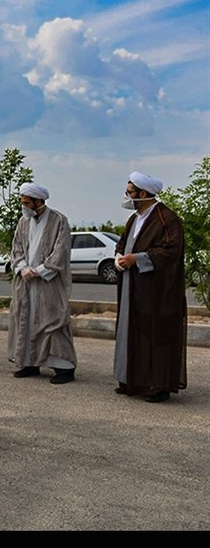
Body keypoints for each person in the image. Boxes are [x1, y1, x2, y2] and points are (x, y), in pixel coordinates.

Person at [113, 171, 187, 403]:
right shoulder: (134, 219)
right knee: (131, 331)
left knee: (155, 334)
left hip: (156, 291)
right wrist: (118, 257)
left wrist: (137, 259)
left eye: (130, 192)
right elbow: (123, 244)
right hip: (132, 287)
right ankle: (130, 379)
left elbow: (171, 251)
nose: (127, 196)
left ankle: (158, 385)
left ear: (143, 193)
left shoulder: (167, 218)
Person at [6, 182, 77, 384]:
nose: (24, 207)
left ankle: (64, 368)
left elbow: (61, 252)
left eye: (27, 203)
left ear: (38, 202)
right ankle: (29, 363)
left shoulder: (59, 220)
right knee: (25, 320)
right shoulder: (23, 222)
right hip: (25, 283)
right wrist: (22, 268)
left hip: (48, 283)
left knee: (52, 322)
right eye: (22, 203)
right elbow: (16, 249)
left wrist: (39, 271)